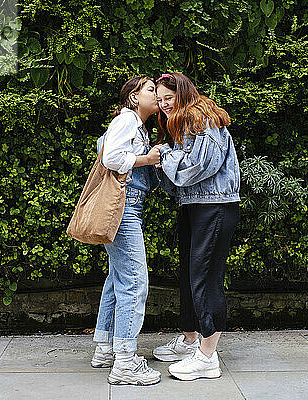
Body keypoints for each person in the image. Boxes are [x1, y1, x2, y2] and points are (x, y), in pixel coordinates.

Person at [152, 72, 241, 381]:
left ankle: (207, 357)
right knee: (191, 275)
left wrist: (164, 156)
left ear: (184, 94)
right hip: (195, 206)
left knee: (206, 277)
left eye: (168, 98)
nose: (163, 105)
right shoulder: (182, 120)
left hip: (214, 206)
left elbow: (200, 166)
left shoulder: (200, 115)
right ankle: (192, 341)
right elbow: (181, 175)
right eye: (160, 99)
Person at [90, 76, 163, 386]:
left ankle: (106, 347)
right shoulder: (128, 119)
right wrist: (146, 158)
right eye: (150, 90)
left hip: (127, 206)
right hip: (124, 207)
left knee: (118, 278)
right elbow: (111, 157)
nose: (157, 95)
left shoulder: (135, 125)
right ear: (134, 97)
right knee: (135, 281)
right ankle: (125, 362)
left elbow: (103, 145)